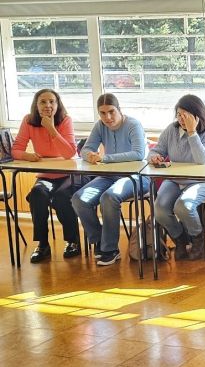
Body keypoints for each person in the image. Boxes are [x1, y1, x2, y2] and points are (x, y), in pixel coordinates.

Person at [71, 93, 148, 266]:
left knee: (109, 197)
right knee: (79, 199)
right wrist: (89, 155)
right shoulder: (100, 126)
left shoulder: (133, 124)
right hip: (108, 176)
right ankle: (100, 240)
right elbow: (85, 149)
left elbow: (138, 154)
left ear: (119, 110)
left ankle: (110, 249)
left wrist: (105, 158)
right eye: (103, 113)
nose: (108, 117)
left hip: (136, 177)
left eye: (111, 112)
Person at [11, 89, 83, 263]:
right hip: (45, 175)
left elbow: (69, 153)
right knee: (37, 194)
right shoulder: (28, 121)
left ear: (58, 104)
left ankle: (73, 241)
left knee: (61, 197)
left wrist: (51, 129)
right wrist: (27, 156)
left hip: (68, 175)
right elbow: (16, 149)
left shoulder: (65, 120)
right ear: (36, 105)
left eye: (52, 101)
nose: (48, 105)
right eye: (43, 102)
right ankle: (43, 244)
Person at [149, 94, 205, 260]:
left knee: (183, 205)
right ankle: (180, 239)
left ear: (197, 115)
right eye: (178, 114)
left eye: (185, 115)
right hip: (174, 179)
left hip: (201, 181)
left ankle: (198, 238)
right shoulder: (171, 130)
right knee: (160, 209)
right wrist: (154, 156)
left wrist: (192, 132)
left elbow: (202, 159)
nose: (181, 119)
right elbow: (157, 150)